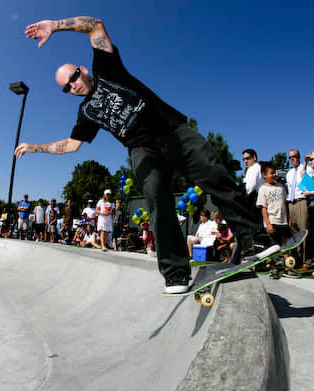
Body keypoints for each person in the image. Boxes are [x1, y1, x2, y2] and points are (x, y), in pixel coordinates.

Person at [15, 16, 264, 293]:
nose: (73, 85)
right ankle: (175, 272)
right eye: (67, 87)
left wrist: (55, 26)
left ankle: (251, 238)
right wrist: (34, 147)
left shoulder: (107, 67)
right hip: (142, 150)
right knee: (156, 198)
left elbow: (95, 26)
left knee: (213, 172)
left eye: (73, 77)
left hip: (170, 130)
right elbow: (71, 145)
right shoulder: (85, 112)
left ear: (82, 69)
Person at [256, 162, 293, 279]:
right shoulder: (263, 190)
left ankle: (289, 269)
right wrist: (268, 224)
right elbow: (263, 208)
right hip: (272, 222)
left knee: (286, 248)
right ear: (264, 175)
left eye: (274, 173)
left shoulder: (281, 187)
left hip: (283, 222)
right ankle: (273, 269)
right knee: (273, 249)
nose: (274, 175)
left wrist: (289, 219)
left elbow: (285, 205)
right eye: (271, 173)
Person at [285, 149, 313, 269]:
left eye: (295, 156)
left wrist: (306, 165)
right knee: (294, 234)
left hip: (302, 201)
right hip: (291, 204)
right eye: (291, 157)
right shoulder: (289, 173)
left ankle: (307, 260)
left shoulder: (306, 168)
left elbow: (309, 184)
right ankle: (297, 259)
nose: (293, 159)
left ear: (299, 156)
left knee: (304, 231)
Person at [242, 149, 264, 227]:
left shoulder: (255, 168)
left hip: (256, 201)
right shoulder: (250, 169)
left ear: (254, 157)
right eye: (244, 159)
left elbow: (250, 187)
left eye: (247, 158)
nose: (245, 161)